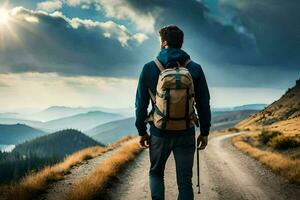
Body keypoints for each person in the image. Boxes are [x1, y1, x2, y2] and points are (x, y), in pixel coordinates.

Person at [135, 24, 211, 200]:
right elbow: (203, 103)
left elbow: (140, 104)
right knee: (185, 181)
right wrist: (204, 132)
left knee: (156, 173)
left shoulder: (149, 68)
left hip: (159, 132)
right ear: (181, 43)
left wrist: (141, 131)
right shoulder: (195, 68)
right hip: (185, 131)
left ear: (163, 42)